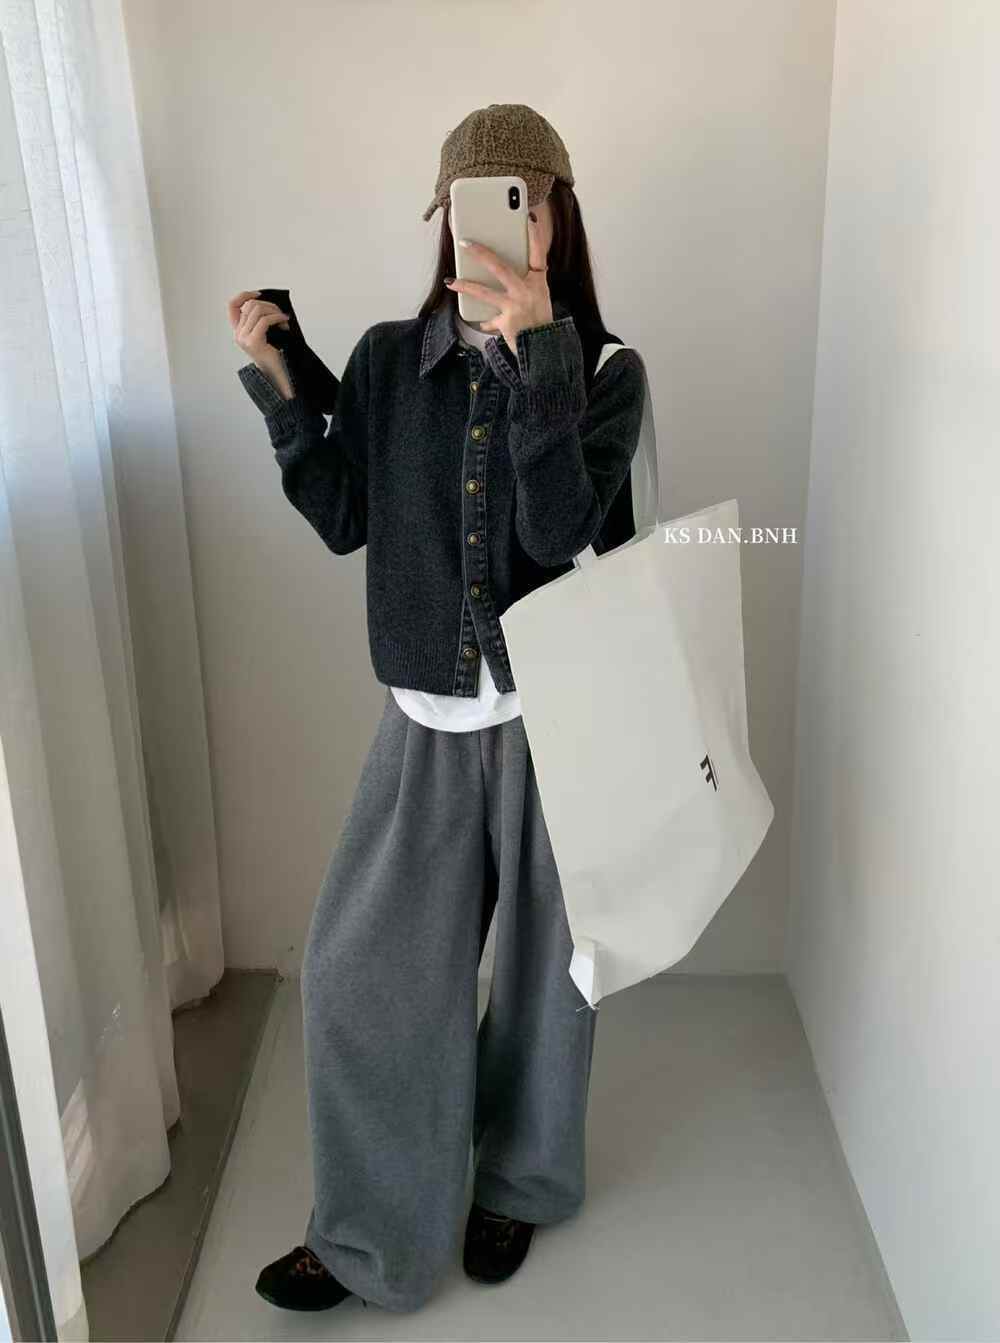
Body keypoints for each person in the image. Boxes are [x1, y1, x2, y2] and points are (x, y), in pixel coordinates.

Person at [226, 102, 648, 1316]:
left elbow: (557, 531)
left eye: (527, 204)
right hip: (425, 720)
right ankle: (370, 1232)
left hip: (559, 721)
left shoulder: (604, 373)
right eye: (477, 208)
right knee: (357, 973)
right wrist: (282, 389)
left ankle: (516, 1180)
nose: (502, 231)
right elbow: (345, 517)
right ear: (444, 222)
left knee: (549, 980)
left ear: (558, 219)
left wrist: (536, 361)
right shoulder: (382, 362)